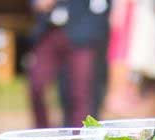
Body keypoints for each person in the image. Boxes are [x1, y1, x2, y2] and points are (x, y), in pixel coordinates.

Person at [27, 0, 110, 128]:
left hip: (82, 32)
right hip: (49, 30)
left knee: (81, 93)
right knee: (37, 83)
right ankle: (43, 133)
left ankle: (80, 135)